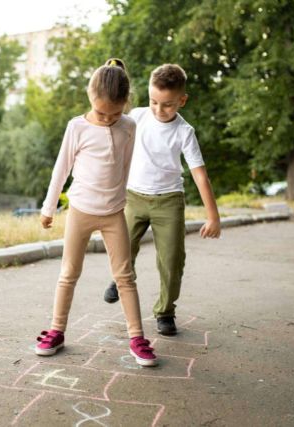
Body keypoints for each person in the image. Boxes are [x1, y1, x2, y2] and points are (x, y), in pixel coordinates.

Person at [34, 58, 157, 367]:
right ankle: (57, 330)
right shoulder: (76, 127)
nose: (106, 119)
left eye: (114, 113)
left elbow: (126, 166)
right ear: (90, 96)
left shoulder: (129, 125)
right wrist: (49, 208)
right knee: (68, 274)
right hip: (80, 211)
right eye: (101, 112)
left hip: (114, 213)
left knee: (125, 276)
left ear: (126, 105)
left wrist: (123, 200)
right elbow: (60, 170)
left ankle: (137, 337)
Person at [103, 64, 221, 336]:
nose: (158, 109)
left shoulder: (185, 132)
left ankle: (165, 312)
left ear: (182, 100)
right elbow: (110, 121)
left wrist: (213, 216)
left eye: (167, 105)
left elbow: (201, 176)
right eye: (153, 101)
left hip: (169, 201)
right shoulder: (137, 116)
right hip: (133, 196)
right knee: (123, 247)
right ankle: (120, 279)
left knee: (171, 260)